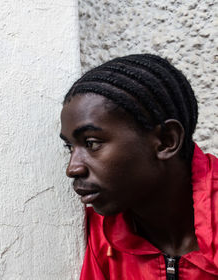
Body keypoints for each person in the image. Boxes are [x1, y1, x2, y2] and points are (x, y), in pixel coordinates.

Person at [59, 54, 218, 279]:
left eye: (91, 143)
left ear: (166, 141)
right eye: (70, 148)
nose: (72, 169)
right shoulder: (104, 233)